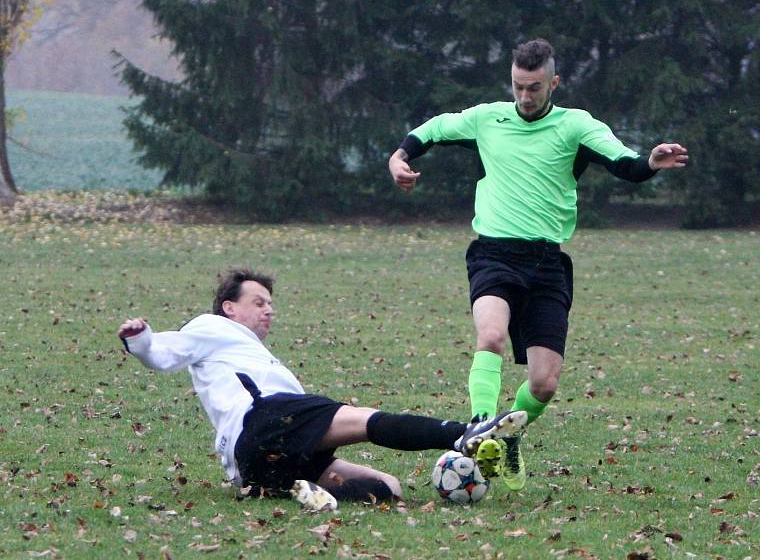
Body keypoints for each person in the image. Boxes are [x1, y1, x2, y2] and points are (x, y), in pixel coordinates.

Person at [388, 38, 688, 491]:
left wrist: (649, 163)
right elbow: (432, 130)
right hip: (494, 253)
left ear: (554, 82)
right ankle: (479, 427)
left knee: (544, 384)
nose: (525, 97)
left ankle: (510, 436)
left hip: (547, 263)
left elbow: (623, 163)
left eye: (534, 88)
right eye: (518, 87)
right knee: (490, 336)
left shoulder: (576, 126)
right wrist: (399, 157)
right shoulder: (488, 118)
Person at [117, 268, 527, 506]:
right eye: (258, 302)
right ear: (229, 307)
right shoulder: (211, 327)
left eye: (271, 304)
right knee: (364, 420)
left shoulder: (250, 354)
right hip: (267, 418)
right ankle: (462, 433)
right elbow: (164, 354)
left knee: (389, 489)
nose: (268, 309)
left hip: (250, 461)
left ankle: (288, 486)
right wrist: (141, 340)